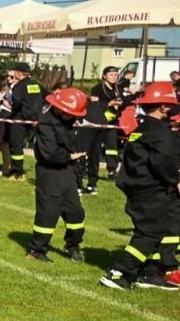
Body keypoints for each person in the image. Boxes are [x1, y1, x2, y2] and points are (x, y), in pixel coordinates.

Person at [99, 81, 180, 291]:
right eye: (170, 104)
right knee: (151, 231)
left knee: (154, 229)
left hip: (136, 186)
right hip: (150, 189)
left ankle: (150, 273)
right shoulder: (161, 132)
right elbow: (162, 162)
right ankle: (119, 272)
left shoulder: (142, 128)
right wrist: (175, 181)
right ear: (162, 106)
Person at [26, 87, 88, 263]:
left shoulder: (67, 122)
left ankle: (73, 245)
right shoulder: (46, 124)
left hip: (66, 171)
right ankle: (37, 250)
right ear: (60, 109)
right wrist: (70, 156)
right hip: (49, 172)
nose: (73, 117)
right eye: (71, 113)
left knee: (75, 212)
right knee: (48, 212)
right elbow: (49, 153)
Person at [81, 66, 123, 194]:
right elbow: (93, 105)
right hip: (98, 121)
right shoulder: (98, 88)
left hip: (112, 122)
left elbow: (125, 101)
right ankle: (84, 170)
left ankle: (111, 169)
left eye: (116, 74)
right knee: (92, 147)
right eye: (111, 74)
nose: (114, 76)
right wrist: (108, 104)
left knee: (112, 147)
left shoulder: (118, 89)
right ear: (104, 76)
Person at [2, 62, 44, 180]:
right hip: (35, 119)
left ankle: (17, 173)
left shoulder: (19, 86)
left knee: (16, 146)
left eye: (15, 72)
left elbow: (17, 102)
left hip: (20, 119)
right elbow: (47, 97)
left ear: (19, 73)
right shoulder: (36, 85)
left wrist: (12, 109)